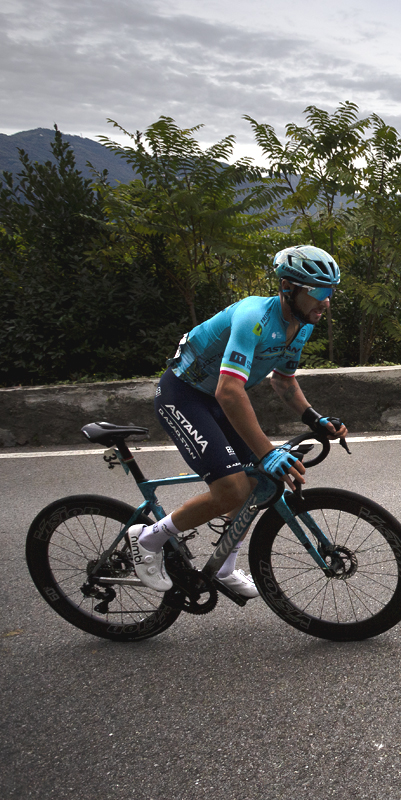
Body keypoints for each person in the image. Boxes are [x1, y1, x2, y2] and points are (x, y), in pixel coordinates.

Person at [128, 245, 349, 597]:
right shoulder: (254, 317)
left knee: (259, 483)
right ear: (289, 288)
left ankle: (224, 566)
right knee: (232, 489)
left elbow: (283, 380)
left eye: (331, 293)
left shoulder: (301, 324)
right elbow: (230, 392)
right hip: (184, 395)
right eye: (319, 292)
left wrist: (315, 418)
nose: (326, 303)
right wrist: (267, 451)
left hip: (216, 398)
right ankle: (148, 539)